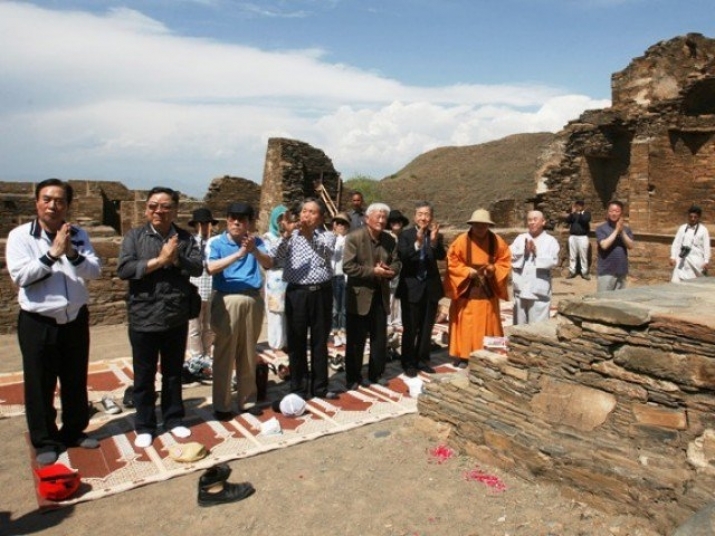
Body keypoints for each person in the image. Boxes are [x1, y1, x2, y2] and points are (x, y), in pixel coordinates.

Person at [6, 178, 103, 465]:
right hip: (39, 320)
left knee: (75, 378)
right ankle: (45, 439)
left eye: (59, 201)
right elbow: (21, 277)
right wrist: (51, 256)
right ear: (37, 203)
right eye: (47, 199)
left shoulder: (79, 235)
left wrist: (72, 253)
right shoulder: (21, 237)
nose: (53, 205)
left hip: (74, 318)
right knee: (39, 382)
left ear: (67, 205)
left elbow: (94, 270)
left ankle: (73, 431)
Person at [118, 187, 203, 449]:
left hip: (175, 315)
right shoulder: (135, 237)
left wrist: (176, 261)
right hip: (143, 315)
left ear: (175, 210)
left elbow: (197, 267)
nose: (159, 211)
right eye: (153, 206)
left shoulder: (185, 238)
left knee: (173, 373)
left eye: (165, 206)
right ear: (146, 209)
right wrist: (160, 260)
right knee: (144, 375)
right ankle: (144, 423)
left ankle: (173, 417)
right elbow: (125, 269)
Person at [207, 202, 273, 420]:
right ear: (227, 220)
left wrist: (252, 250)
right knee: (225, 353)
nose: (237, 223)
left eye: (242, 219)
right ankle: (222, 404)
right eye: (233, 218)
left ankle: (247, 399)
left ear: (249, 223)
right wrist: (238, 254)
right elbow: (211, 267)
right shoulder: (216, 242)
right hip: (227, 299)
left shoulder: (258, 242)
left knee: (247, 352)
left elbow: (269, 263)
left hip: (252, 299)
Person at [272, 198, 339, 400]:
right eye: (304, 211)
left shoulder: (328, 236)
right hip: (297, 294)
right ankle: (298, 387)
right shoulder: (291, 237)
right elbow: (275, 258)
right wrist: (286, 235)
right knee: (297, 341)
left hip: (321, 293)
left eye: (312, 212)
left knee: (319, 341)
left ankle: (320, 386)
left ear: (320, 218)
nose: (307, 215)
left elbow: (327, 254)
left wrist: (309, 235)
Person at [342, 203, 401, 390]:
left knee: (379, 339)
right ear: (367, 219)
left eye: (384, 218)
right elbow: (348, 267)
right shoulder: (354, 238)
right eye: (378, 217)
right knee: (356, 341)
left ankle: (376, 374)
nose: (382, 221)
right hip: (359, 296)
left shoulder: (389, 240)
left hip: (380, 295)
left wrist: (391, 270)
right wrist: (373, 271)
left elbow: (397, 261)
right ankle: (353, 377)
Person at [443, 209, 511, 368]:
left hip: (487, 289)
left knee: (489, 321)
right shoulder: (461, 241)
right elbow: (452, 261)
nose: (480, 228)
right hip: (467, 289)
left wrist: (493, 269)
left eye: (484, 225)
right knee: (466, 323)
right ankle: (463, 356)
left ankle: (490, 352)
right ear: (471, 225)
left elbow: (505, 260)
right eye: (477, 225)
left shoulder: (496, 241)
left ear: (489, 225)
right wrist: (467, 271)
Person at [396, 202, 445, 377]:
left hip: (430, 287)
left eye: (427, 214)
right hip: (411, 288)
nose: (424, 218)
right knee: (410, 327)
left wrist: (433, 242)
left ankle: (422, 359)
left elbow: (441, 256)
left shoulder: (435, 234)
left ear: (431, 217)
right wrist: (417, 243)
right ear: (415, 216)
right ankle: (408, 361)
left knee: (426, 327)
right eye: (421, 214)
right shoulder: (406, 235)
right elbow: (404, 256)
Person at [184, 207, 218, 382]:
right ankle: (196, 355)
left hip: (211, 288)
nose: (205, 227)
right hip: (196, 287)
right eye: (202, 224)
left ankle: (207, 353)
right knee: (195, 326)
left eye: (207, 223)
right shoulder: (191, 243)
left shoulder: (215, 243)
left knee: (209, 326)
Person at [511, 211, 560, 325]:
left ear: (543, 222)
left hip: (538, 290)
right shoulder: (520, 238)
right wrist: (524, 251)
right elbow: (509, 255)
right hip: (521, 287)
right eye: (529, 220)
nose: (532, 222)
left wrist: (536, 252)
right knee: (519, 325)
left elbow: (553, 261)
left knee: (538, 325)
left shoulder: (550, 241)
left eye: (535, 219)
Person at [262, 205, 289, 354]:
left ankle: (286, 342)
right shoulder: (268, 237)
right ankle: (276, 344)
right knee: (276, 313)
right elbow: (271, 258)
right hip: (276, 279)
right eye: (279, 219)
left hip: (289, 278)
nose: (282, 222)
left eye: (284, 219)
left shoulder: (292, 236)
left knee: (287, 314)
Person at [595, 200, 635, 292]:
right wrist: (616, 230)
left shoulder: (627, 229)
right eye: (611, 211)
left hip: (621, 270)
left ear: (621, 213)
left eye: (617, 211)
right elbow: (604, 245)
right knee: (603, 300)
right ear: (608, 212)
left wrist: (622, 231)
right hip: (606, 271)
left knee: (618, 301)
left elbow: (631, 245)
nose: (614, 213)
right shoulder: (601, 228)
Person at [670, 205, 710, 282]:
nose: (692, 219)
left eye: (695, 217)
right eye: (691, 216)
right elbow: (676, 244)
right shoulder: (682, 228)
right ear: (688, 216)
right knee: (675, 283)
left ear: (699, 217)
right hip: (681, 261)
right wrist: (673, 257)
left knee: (693, 285)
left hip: (696, 263)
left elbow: (706, 247)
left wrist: (706, 261)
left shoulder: (703, 230)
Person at [387, 209, 409, 335]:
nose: (396, 223)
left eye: (398, 221)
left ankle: (398, 321)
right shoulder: (387, 237)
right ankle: (389, 321)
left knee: (400, 298)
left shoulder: (405, 236)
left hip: (404, 270)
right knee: (389, 297)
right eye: (393, 221)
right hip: (390, 269)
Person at [330, 211, 351, 347]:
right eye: (338, 223)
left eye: (344, 223)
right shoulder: (330, 238)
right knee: (334, 307)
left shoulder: (350, 240)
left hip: (345, 276)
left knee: (344, 307)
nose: (341, 226)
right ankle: (335, 331)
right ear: (334, 225)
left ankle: (343, 330)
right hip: (333, 276)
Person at [565, 199, 591, 280]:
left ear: (583, 206)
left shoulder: (587, 214)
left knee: (583, 256)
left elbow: (584, 221)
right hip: (573, 237)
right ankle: (572, 271)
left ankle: (584, 272)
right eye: (577, 205)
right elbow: (568, 221)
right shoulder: (573, 214)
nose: (578, 207)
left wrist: (579, 213)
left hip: (583, 237)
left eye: (580, 205)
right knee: (572, 256)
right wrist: (572, 213)